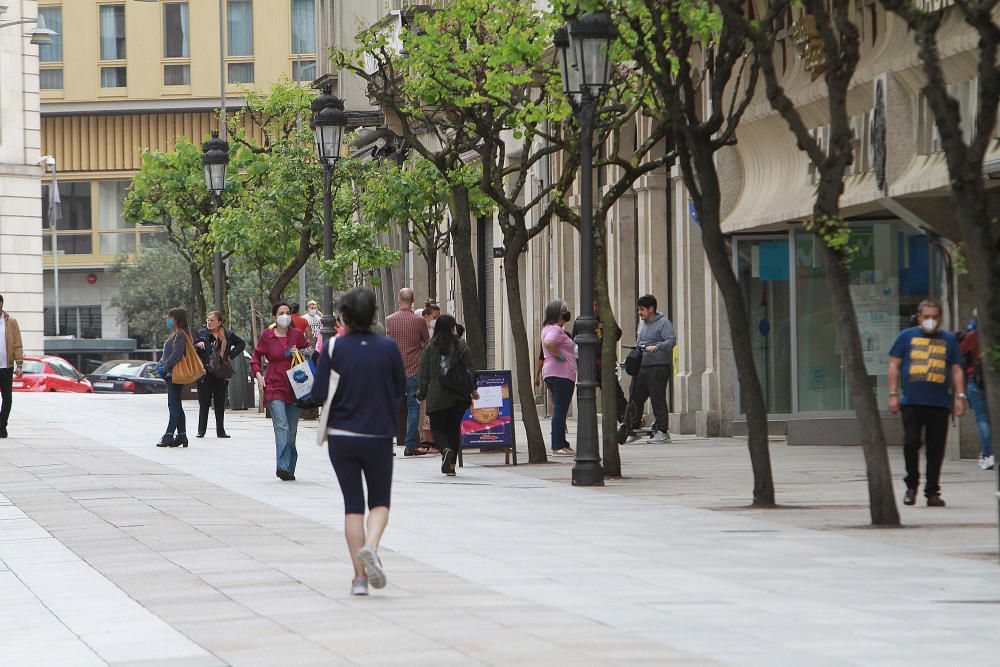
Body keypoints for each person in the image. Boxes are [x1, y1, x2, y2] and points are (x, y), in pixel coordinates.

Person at [313, 287, 405, 596]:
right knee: (379, 502)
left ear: (344, 316)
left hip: (342, 436)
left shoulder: (333, 347)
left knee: (353, 505)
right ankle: (371, 546)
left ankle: (360, 579)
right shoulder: (388, 348)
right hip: (378, 434)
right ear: (373, 314)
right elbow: (399, 390)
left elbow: (318, 393)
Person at [888, 299, 966, 507]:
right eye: (926, 317)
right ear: (918, 317)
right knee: (911, 443)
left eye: (934, 317)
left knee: (935, 449)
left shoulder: (948, 340)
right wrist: (893, 394)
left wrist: (960, 397)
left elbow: (957, 369)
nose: (930, 321)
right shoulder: (907, 337)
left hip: (939, 404)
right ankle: (911, 486)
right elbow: (894, 365)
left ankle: (932, 491)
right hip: (912, 402)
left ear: (940, 318)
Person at [252, 302, 309, 481]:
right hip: (274, 383)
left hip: (295, 384)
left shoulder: (297, 334)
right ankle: (282, 466)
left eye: (287, 313)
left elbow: (309, 351)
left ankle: (290, 467)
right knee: (281, 425)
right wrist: (259, 377)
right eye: (281, 313)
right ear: (274, 317)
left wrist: (299, 352)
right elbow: (255, 358)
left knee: (291, 431)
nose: (285, 316)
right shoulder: (267, 336)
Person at [417, 314, 478, 475]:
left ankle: (445, 450)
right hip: (459, 395)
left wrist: (421, 394)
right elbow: (470, 369)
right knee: (453, 428)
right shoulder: (461, 345)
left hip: (437, 395)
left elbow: (424, 374)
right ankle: (451, 466)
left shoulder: (430, 347)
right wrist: (473, 389)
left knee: (437, 427)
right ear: (452, 328)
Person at [385, 287, 430, 456]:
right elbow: (427, 341)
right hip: (414, 369)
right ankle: (410, 445)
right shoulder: (418, 321)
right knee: (413, 407)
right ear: (413, 301)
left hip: (394, 371)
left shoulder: (389, 320)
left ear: (398, 299)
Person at [630, 294, 676, 443]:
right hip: (642, 366)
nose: (639, 313)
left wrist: (657, 347)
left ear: (651, 309)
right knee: (635, 397)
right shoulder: (642, 324)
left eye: (642, 309)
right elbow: (640, 342)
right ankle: (634, 428)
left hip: (658, 366)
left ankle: (662, 431)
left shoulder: (663, 323)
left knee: (657, 398)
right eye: (638, 309)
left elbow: (671, 340)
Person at [194, 311, 246, 439]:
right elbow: (192, 346)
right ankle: (201, 430)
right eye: (208, 320)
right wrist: (197, 345)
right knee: (204, 402)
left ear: (219, 322)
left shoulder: (227, 334)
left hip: (220, 372)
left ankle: (220, 430)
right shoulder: (202, 333)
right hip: (205, 372)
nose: (209, 322)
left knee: (219, 402)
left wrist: (230, 355)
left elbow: (241, 344)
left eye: (212, 320)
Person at [574, 297, 627, 422]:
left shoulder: (605, 318)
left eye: (597, 305)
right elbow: (575, 344)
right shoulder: (581, 321)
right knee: (586, 393)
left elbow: (618, 333)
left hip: (605, 363)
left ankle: (625, 418)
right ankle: (586, 419)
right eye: (593, 305)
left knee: (614, 392)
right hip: (589, 364)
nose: (595, 308)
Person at [541, 299, 577, 456]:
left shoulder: (547, 328)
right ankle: (558, 445)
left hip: (552, 373)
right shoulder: (556, 330)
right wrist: (560, 356)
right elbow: (549, 343)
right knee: (560, 411)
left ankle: (563, 443)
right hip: (561, 373)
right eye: (565, 310)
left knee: (559, 410)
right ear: (558, 313)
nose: (567, 312)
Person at [959, 309, 992, 470]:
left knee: (983, 419)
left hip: (976, 381)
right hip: (993, 382)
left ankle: (988, 454)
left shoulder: (974, 335)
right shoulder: (994, 334)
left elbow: (961, 351)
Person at [156, 307, 193, 448]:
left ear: (177, 319)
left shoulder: (180, 334)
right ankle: (182, 436)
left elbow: (176, 355)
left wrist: (165, 368)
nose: (168, 320)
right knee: (177, 405)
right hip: (170, 374)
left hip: (173, 374)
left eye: (170, 318)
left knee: (173, 406)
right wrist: (160, 364)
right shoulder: (175, 333)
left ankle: (169, 435)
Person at [0, 295, 24, 439]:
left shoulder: (11, 322)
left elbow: (17, 344)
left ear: (1, 303)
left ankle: (2, 426)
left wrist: (19, 364)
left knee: (7, 399)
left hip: (7, 367)